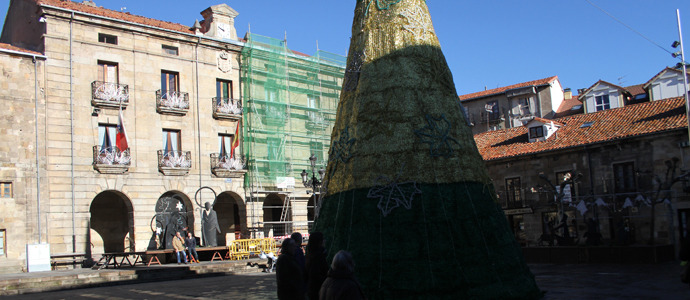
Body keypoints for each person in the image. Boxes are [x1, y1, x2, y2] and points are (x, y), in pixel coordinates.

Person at [306, 232, 328, 300]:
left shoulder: (310, 255)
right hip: (318, 291)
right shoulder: (317, 257)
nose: (325, 241)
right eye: (323, 239)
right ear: (319, 242)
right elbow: (316, 275)